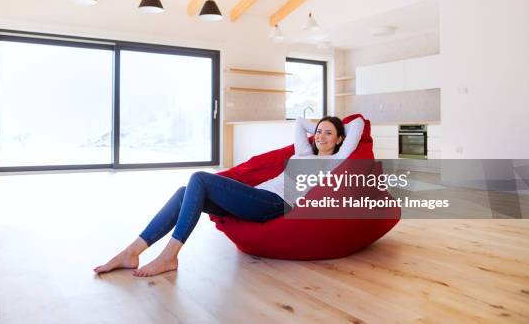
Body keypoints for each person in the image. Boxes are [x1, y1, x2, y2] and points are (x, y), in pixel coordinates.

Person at [93, 116, 364, 277]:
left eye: (329, 133)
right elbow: (300, 124)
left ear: (340, 139)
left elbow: (359, 124)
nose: (321, 136)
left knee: (199, 178)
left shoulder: (337, 160)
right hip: (255, 197)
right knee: (184, 191)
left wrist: (335, 126)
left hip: (274, 205)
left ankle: (170, 256)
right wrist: (320, 124)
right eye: (318, 131)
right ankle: (132, 252)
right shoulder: (303, 153)